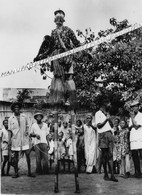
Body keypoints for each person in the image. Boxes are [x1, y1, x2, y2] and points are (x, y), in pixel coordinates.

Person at [49, 9, 81, 107]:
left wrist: (85, 51)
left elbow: (76, 42)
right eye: (56, 17)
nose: (58, 19)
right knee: (58, 78)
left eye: (60, 17)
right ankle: (60, 100)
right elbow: (50, 47)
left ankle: (68, 99)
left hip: (67, 55)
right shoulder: (53, 32)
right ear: (55, 20)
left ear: (63, 19)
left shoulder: (68, 30)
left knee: (69, 77)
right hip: (57, 56)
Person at [8, 102, 34, 178]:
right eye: (15, 108)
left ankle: (29, 172)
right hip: (16, 140)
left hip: (25, 139)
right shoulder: (10, 119)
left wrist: (27, 131)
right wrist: (9, 140)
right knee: (15, 157)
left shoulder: (24, 116)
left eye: (18, 107)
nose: (17, 109)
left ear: (19, 109)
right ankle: (16, 173)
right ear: (13, 109)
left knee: (28, 155)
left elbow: (28, 126)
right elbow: (9, 131)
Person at [95, 100, 118, 182]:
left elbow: (111, 125)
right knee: (104, 156)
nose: (109, 105)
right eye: (108, 104)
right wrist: (106, 119)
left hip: (109, 134)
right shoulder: (98, 113)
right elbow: (99, 126)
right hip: (103, 135)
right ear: (103, 105)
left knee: (110, 155)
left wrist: (109, 119)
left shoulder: (106, 113)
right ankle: (105, 174)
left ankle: (112, 175)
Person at [129, 100, 142, 178]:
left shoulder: (141, 115)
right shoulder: (131, 116)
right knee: (134, 156)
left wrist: (132, 119)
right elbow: (130, 127)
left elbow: (136, 127)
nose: (134, 108)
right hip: (133, 138)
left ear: (138, 107)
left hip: (140, 138)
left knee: (141, 155)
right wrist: (133, 120)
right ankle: (138, 172)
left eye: (136, 106)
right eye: (133, 107)